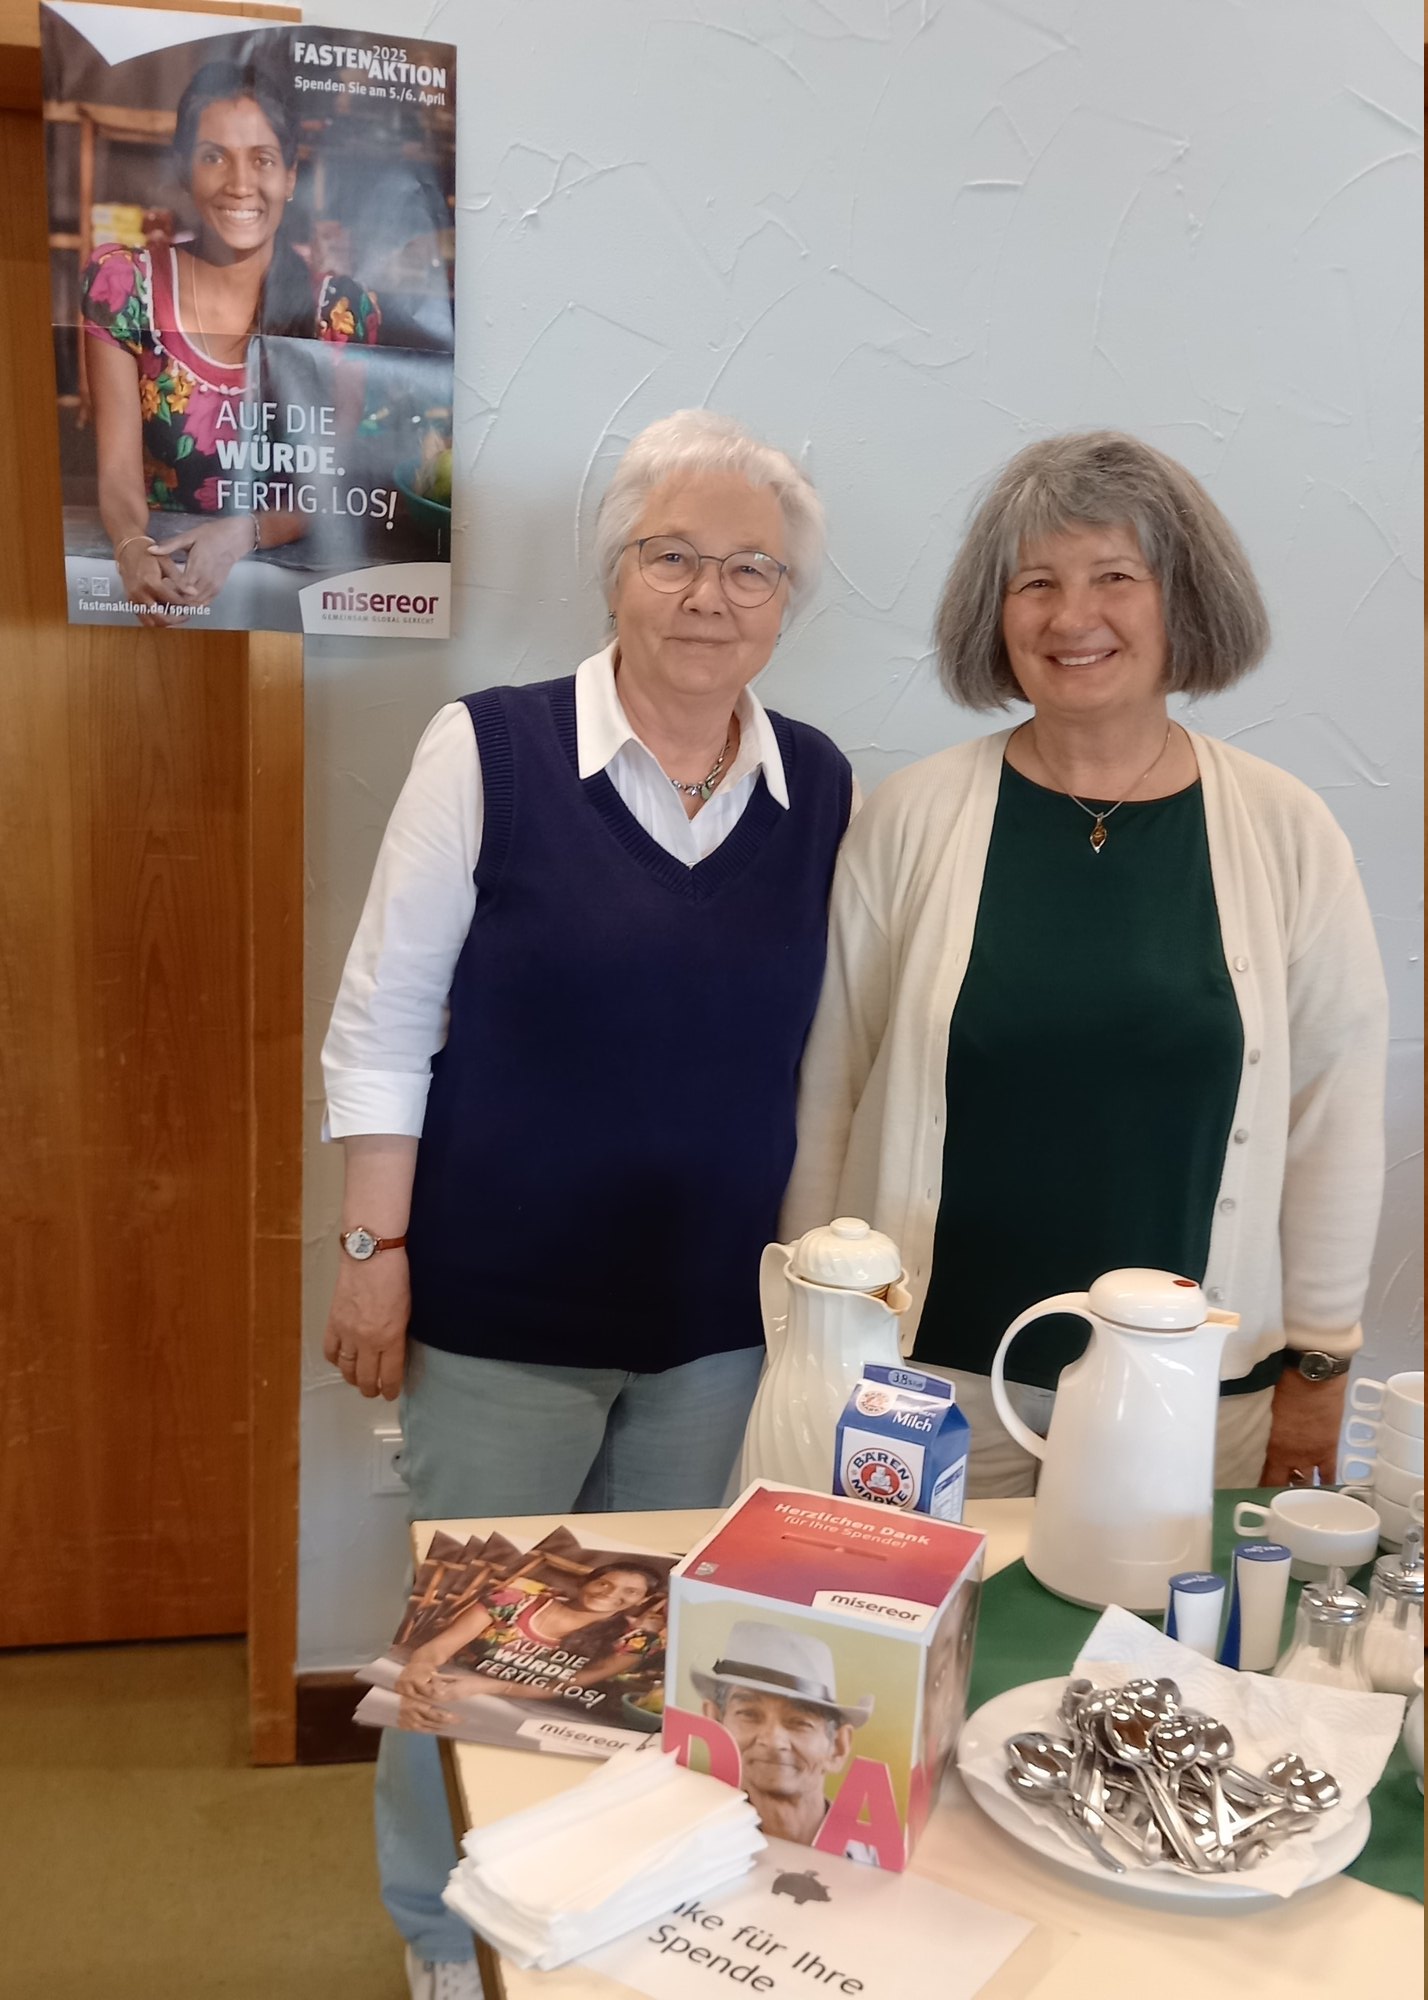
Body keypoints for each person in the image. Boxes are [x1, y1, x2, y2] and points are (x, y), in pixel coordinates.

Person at [321, 408, 854, 1998]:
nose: (709, 595)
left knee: (660, 1654)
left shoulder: (817, 785)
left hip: (713, 1330)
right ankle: (444, 1936)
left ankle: (597, 1926)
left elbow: (820, 1054)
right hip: (505, 1314)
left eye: (750, 568)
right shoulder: (489, 750)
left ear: (787, 601)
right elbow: (385, 1020)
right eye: (672, 556)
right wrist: (373, 1252)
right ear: (614, 571)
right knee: (477, 1660)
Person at [783, 431, 1387, 1499]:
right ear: (994, 614)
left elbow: (1331, 1118)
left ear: (1183, 601)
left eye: (1116, 577)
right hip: (924, 1391)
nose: (1073, 618)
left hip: (1199, 1397)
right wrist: (812, 1338)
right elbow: (829, 1094)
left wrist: (1320, 1371)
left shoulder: (1286, 832)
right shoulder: (911, 820)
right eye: (1036, 584)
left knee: (1173, 1616)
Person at [80, 60, 379, 624]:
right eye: (214, 156)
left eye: (262, 159)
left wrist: (242, 533)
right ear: (184, 169)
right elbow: (117, 473)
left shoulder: (338, 313)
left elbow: (335, 482)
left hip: (292, 600)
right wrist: (131, 547)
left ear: (290, 177)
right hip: (161, 579)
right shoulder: (125, 287)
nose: (240, 183)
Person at [394, 1561, 667, 1732]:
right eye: (604, 1583)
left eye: (630, 1592)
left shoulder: (635, 1642)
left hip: (535, 1713)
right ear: (584, 1582)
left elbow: (562, 1686)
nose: (610, 1593)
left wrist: (489, 1687)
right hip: (449, 1683)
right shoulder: (512, 1601)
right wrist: (420, 1666)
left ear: (643, 1600)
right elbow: (441, 1646)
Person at [692, 1622, 872, 1851]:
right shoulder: (695, 1841)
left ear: (837, 1746)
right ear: (715, 1723)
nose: (773, 1741)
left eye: (799, 1722)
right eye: (749, 1714)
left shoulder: (873, 1858)